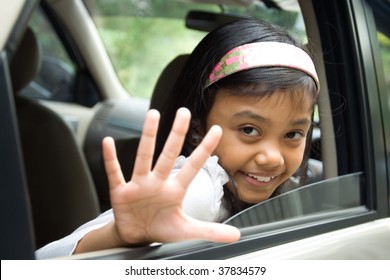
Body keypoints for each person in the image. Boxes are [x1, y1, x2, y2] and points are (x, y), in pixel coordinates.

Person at [35, 19, 320, 259]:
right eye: (248, 130)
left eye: (293, 134)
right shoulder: (200, 189)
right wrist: (118, 235)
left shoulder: (281, 186)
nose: (272, 157)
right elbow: (44, 261)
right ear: (197, 129)